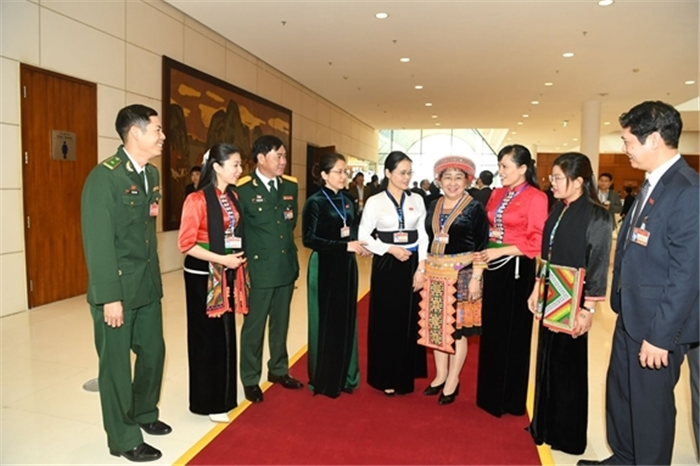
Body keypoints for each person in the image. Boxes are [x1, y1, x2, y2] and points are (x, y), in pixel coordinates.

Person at [578, 101, 700, 466]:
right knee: (623, 395)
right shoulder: (653, 184)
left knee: (650, 406)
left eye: (629, 141)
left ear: (655, 140)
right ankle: (624, 457)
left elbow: (687, 273)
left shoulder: (687, 190)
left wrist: (661, 337)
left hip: (658, 324)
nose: (624, 148)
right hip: (632, 313)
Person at [81, 104, 169, 462]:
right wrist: (109, 298)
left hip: (146, 285)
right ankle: (122, 438)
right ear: (135, 133)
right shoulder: (105, 178)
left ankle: (144, 412)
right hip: (117, 289)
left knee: (153, 353)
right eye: (157, 130)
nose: (163, 136)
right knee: (116, 367)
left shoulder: (151, 174)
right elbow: (98, 242)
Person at [526, 152, 613, 454]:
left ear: (578, 181)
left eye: (558, 178)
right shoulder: (558, 209)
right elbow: (546, 254)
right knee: (546, 360)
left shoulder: (597, 215)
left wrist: (589, 309)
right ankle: (543, 425)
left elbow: (598, 264)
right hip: (551, 292)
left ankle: (567, 434)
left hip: (574, 297)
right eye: (552, 177)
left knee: (568, 368)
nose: (552, 183)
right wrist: (537, 287)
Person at [474, 144, 548, 418]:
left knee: (514, 334)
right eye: (499, 165)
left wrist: (502, 251)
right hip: (493, 266)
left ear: (523, 168)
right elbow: (488, 230)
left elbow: (537, 241)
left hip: (516, 267)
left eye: (505, 166)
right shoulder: (497, 193)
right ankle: (490, 395)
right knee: (492, 331)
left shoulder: (536, 197)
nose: (500, 171)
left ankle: (510, 398)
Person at [177, 143, 248, 423]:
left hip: (226, 269)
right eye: (235, 164)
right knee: (206, 337)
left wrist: (231, 260)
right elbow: (186, 244)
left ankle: (224, 394)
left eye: (240, 164)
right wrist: (221, 259)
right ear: (217, 166)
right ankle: (207, 399)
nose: (240, 170)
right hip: (202, 273)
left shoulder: (232, 196)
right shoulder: (197, 199)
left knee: (225, 333)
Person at [237, 135, 303, 404]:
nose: (283, 161)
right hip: (259, 270)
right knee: (254, 328)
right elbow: (238, 230)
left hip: (285, 266)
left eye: (284, 156)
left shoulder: (290, 186)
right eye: (278, 156)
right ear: (261, 158)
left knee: (281, 323)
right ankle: (250, 378)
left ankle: (278, 369)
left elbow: (290, 224)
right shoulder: (242, 189)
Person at [419, 156, 489, 405]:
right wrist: (422, 268)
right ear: (439, 180)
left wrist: (477, 277)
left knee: (458, 331)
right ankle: (440, 375)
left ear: (467, 181)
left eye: (458, 178)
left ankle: (453, 379)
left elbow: (482, 245)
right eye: (447, 177)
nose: (452, 183)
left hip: (464, 274)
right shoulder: (433, 204)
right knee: (437, 328)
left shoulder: (474, 207)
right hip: (435, 274)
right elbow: (428, 239)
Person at [359, 150, 428, 396]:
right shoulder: (375, 201)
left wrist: (421, 267)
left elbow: (424, 235)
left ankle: (405, 374)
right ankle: (385, 376)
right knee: (387, 320)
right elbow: (363, 235)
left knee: (409, 319)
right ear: (388, 173)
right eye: (401, 173)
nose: (406, 177)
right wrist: (389, 249)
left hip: (412, 263)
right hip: (387, 263)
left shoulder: (417, 199)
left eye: (409, 172)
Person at [302, 153, 370, 398]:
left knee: (346, 318)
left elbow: (351, 230)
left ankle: (345, 376)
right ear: (324, 175)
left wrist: (359, 244)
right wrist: (344, 246)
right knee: (325, 320)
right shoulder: (314, 202)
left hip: (347, 265)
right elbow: (309, 239)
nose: (344, 176)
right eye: (338, 172)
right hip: (324, 264)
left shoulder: (347, 199)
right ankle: (324, 379)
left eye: (345, 172)